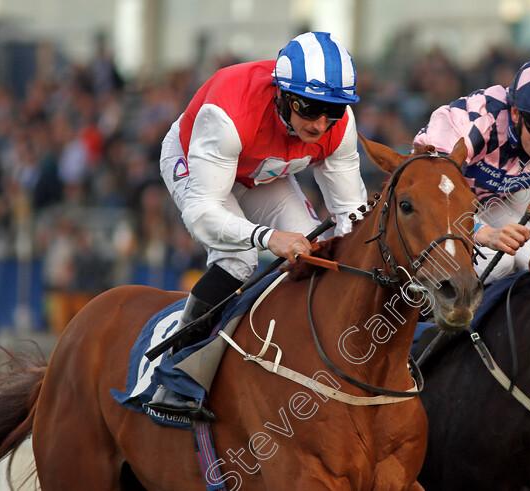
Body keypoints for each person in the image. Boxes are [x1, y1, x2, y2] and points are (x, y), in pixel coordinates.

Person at [148, 32, 368, 418]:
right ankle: (176, 378)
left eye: (331, 112)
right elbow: (202, 215)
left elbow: (351, 216)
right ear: (282, 94)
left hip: (262, 170)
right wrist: (267, 237)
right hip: (199, 161)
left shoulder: (338, 125)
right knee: (240, 257)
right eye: (309, 107)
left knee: (310, 253)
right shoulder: (229, 113)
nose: (319, 125)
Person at [413, 56, 530, 282]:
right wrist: (480, 232)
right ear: (515, 113)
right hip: (422, 204)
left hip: (484, 207)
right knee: (499, 262)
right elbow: (430, 193)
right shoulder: (477, 121)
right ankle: (426, 304)